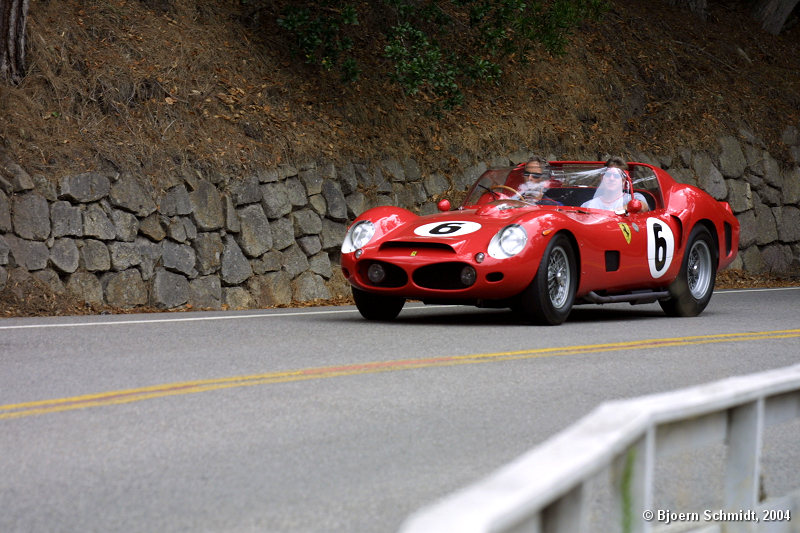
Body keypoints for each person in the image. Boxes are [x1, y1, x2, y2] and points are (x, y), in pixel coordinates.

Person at [581, 157, 648, 212]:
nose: (611, 179)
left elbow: (643, 207)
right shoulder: (588, 205)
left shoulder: (633, 198)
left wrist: (621, 209)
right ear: (602, 178)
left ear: (623, 181)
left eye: (616, 176)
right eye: (608, 175)